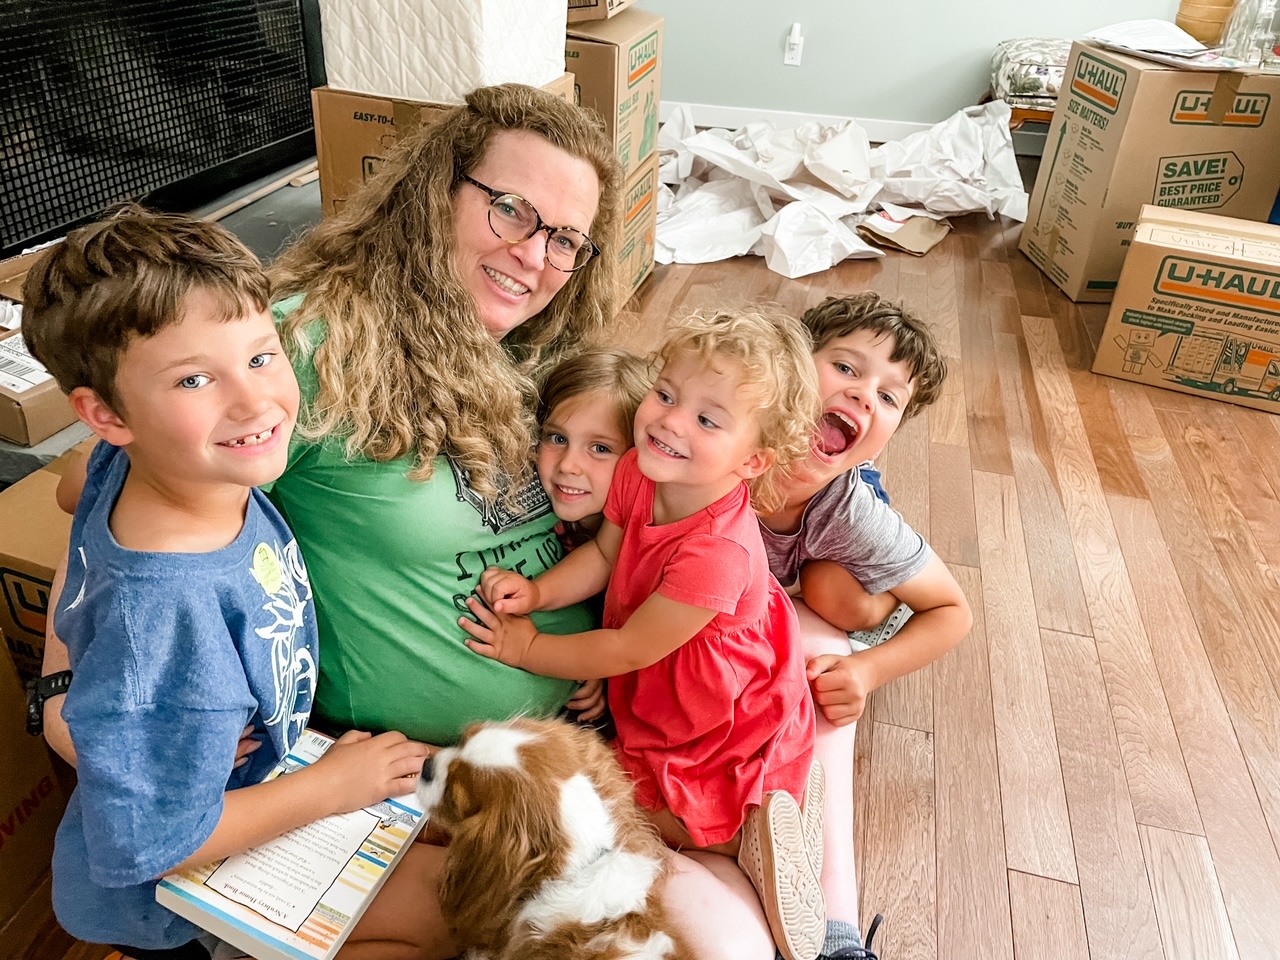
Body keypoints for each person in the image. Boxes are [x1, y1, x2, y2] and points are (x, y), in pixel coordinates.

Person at [21, 209, 429, 960]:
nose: (253, 403)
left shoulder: (141, 461)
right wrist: (337, 785)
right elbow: (161, 844)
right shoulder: (171, 614)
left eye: (262, 357)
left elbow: (71, 489)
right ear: (106, 413)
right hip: (178, 903)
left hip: (227, 780)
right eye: (195, 378)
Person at [462, 310, 830, 960]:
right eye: (666, 393)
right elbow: (606, 556)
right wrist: (540, 594)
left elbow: (629, 646)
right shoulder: (640, 469)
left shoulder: (717, 551)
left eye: (706, 419)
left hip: (706, 699)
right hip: (661, 654)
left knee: (644, 804)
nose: (669, 420)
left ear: (754, 460)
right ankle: (767, 815)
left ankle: (744, 836)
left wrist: (528, 648)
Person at [759, 292, 973, 954]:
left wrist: (865, 668)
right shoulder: (715, 440)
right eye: (846, 369)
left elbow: (953, 611)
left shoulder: (848, 510)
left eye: (888, 397)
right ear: (791, 362)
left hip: (840, 571)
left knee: (832, 596)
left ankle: (838, 934)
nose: (861, 396)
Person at [535, 347, 652, 552]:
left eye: (600, 448)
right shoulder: (536, 517)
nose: (568, 465)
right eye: (558, 438)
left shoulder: (639, 548)